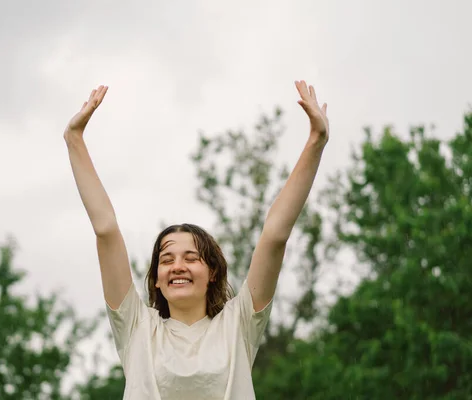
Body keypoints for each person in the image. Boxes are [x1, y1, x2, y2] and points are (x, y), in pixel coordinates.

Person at [64, 81, 329, 399]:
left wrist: (316, 140)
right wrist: (74, 139)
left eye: (191, 258)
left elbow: (275, 235)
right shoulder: (137, 327)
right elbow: (106, 230)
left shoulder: (238, 323)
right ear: (157, 280)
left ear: (212, 271)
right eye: (166, 260)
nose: (177, 267)